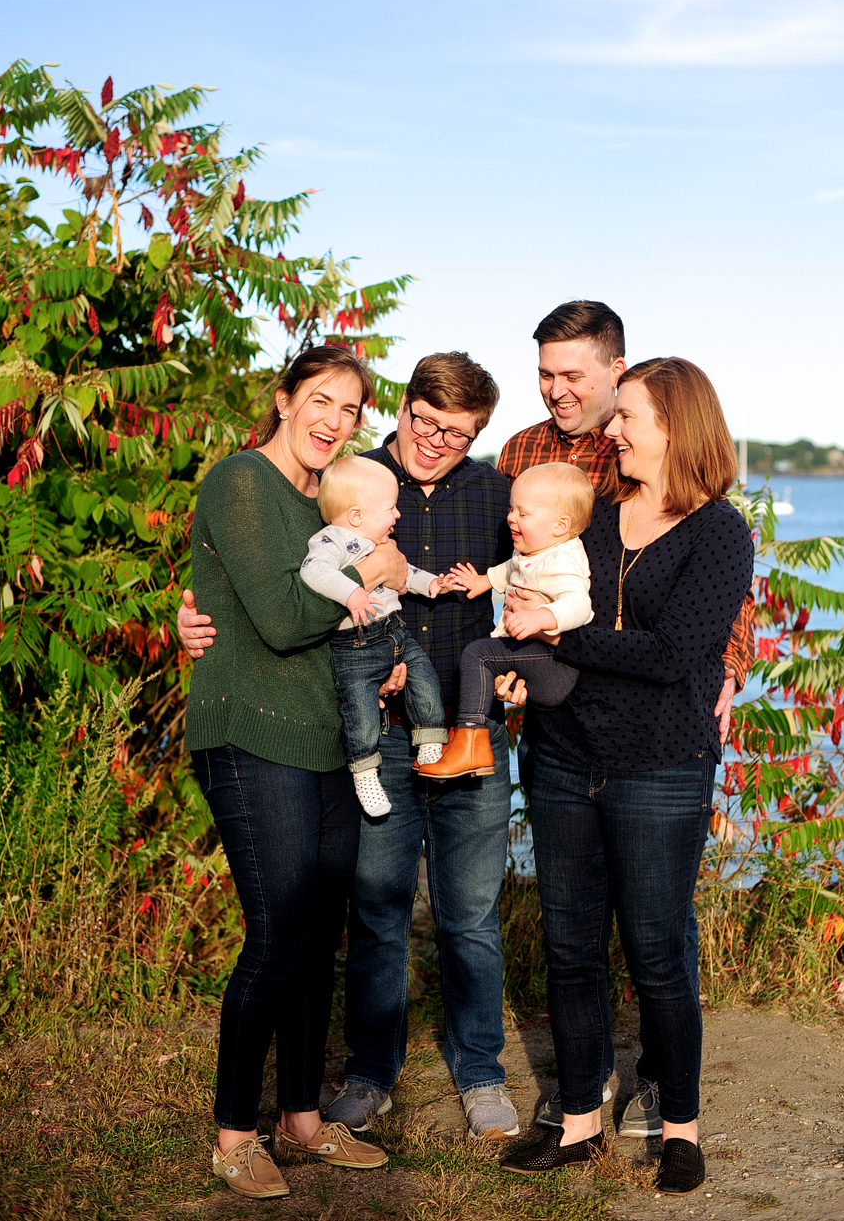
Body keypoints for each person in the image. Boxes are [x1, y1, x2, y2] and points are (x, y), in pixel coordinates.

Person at [179, 351, 522, 1142]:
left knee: (421, 918)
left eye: (457, 433)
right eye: (424, 421)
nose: (435, 441)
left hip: (406, 733)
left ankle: (421, 1086)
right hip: (329, 736)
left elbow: (549, 562)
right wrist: (192, 621)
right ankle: (305, 1101)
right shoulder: (313, 481)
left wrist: (527, 666)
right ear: (401, 409)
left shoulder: (466, 495)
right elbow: (275, 596)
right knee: (333, 920)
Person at [497, 300, 754, 1138]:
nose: (614, 431)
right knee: (570, 948)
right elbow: (533, 593)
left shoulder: (719, 529)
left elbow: (678, 652)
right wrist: (524, 656)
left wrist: (569, 634)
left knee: (655, 953)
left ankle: (676, 1120)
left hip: (660, 763)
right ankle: (576, 1117)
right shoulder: (596, 516)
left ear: (673, 426)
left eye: (630, 418)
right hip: (565, 753)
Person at [184, 346, 392, 1200]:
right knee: (276, 934)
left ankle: (303, 1120)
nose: (332, 420)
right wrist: (369, 574)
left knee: (317, 936)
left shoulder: (329, 502)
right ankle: (235, 1135)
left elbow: (336, 626)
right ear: (283, 400)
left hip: (325, 740)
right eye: (319, 400)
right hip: (249, 732)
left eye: (348, 410)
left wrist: (379, 648)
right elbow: (274, 618)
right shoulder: (240, 480)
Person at [299, 454, 458, 817]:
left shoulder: (381, 542)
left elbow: (404, 572)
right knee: (361, 712)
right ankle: (365, 771)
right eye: (390, 508)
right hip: (354, 647)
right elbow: (313, 572)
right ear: (356, 515)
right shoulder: (332, 540)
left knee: (424, 678)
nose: (397, 515)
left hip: (395, 633)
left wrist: (430, 583)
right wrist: (352, 590)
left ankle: (430, 738)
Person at [421, 462, 594, 780]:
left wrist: (539, 617)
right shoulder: (534, 550)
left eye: (522, 513)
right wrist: (483, 582)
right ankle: (470, 742)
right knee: (482, 657)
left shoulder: (564, 559)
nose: (511, 518)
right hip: (535, 660)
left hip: (555, 666)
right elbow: (509, 570)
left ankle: (472, 741)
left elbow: (579, 605)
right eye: (512, 509)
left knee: (477, 654)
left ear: (560, 525)